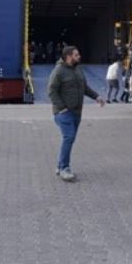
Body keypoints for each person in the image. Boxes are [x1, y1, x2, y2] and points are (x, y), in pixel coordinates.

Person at [47, 45, 105, 181]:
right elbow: (51, 90)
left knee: (70, 139)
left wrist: (96, 97)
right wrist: (61, 108)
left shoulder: (78, 69)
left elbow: (84, 87)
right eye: (76, 55)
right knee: (69, 137)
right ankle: (64, 168)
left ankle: (60, 165)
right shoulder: (59, 71)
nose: (79, 56)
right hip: (64, 113)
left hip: (77, 112)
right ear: (68, 57)